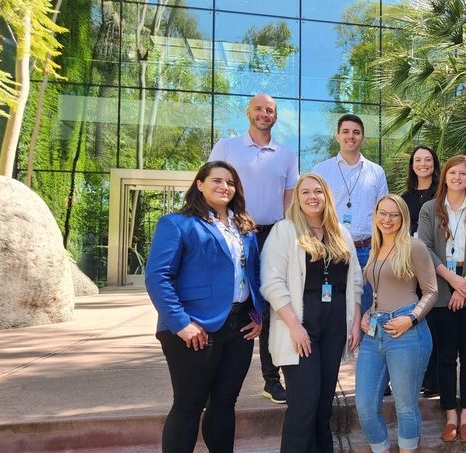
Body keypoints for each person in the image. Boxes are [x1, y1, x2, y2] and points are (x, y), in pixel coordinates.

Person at [145, 161, 265, 453]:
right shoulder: (177, 223)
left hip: (239, 328)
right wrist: (181, 323)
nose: (225, 187)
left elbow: (255, 274)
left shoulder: (245, 228)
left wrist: (259, 315)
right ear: (199, 184)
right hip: (194, 328)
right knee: (189, 405)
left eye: (230, 182)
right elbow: (158, 277)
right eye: (217, 180)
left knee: (225, 402)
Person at [260, 173, 363, 453]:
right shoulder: (284, 230)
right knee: (304, 403)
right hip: (301, 326)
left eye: (318, 191)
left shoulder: (341, 232)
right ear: (297, 198)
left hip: (335, 327)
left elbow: (354, 281)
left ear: (327, 196)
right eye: (305, 192)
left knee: (322, 404)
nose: (311, 197)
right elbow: (271, 282)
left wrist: (354, 322)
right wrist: (294, 326)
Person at [208, 93, 298, 404]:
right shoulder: (227, 146)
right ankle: (214, 374)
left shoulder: (286, 154)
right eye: (258, 109)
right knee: (231, 301)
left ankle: (271, 380)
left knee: (272, 307)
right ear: (248, 112)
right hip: (234, 231)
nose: (264, 114)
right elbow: (210, 186)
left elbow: (289, 199)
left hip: (272, 235)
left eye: (270, 110)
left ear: (276, 115)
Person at [355, 194, 438, 453]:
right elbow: (381, 290)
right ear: (375, 215)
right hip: (375, 331)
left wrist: (411, 319)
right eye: (383, 213)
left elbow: (431, 291)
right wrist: (369, 312)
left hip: (407, 332)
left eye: (394, 214)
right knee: (365, 405)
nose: (387, 219)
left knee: (405, 406)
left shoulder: (413, 246)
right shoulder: (375, 248)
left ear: (403, 218)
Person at [418, 155, 466, 443]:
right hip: (442, 285)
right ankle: (450, 415)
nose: (458, 178)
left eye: (463, 174)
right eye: (453, 173)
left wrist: (465, 284)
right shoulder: (430, 209)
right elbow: (423, 247)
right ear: (445, 176)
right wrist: (453, 282)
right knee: (447, 355)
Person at [311, 114, 389, 316]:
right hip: (331, 249)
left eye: (356, 132)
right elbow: (312, 210)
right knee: (332, 310)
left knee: (365, 311)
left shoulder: (376, 172)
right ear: (337, 136)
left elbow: (384, 214)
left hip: (367, 251)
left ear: (362, 138)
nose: (350, 136)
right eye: (345, 131)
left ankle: (364, 348)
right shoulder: (321, 170)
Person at [399, 145, 441, 398]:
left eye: (428, 159)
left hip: (437, 263)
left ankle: (435, 380)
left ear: (435, 164)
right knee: (417, 319)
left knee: (435, 321)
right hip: (411, 265)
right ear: (412, 165)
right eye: (418, 160)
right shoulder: (405, 197)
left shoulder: (442, 194)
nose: (423, 164)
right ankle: (419, 379)